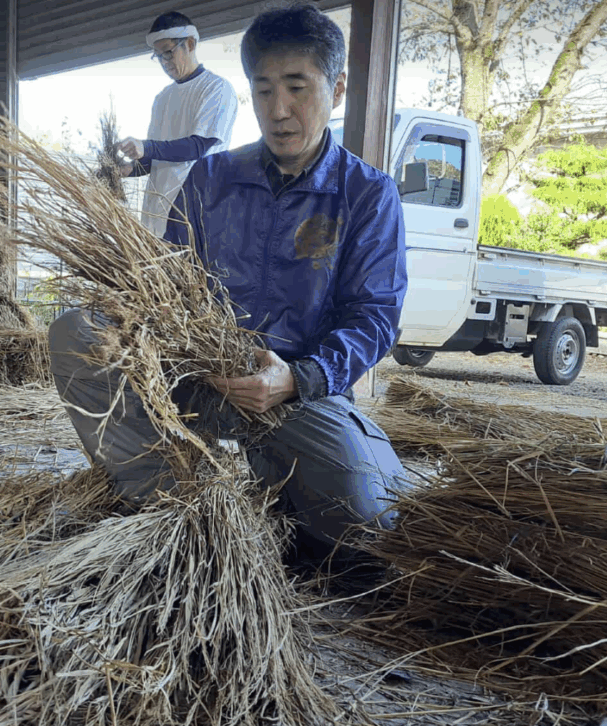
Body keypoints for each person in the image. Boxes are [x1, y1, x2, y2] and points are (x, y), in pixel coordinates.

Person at [49, 4, 409, 563]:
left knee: (368, 525)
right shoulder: (212, 178)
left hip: (293, 392)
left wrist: (300, 377)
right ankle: (173, 503)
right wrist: (133, 302)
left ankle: (281, 478)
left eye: (297, 88)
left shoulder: (366, 193)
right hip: (199, 375)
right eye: (263, 90)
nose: (278, 110)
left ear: (336, 89)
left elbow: (374, 317)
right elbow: (170, 279)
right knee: (78, 333)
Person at [117, 12, 239, 238]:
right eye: (158, 56)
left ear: (190, 44)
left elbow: (198, 147)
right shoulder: (162, 98)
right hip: (155, 215)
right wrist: (128, 169)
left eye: (168, 52)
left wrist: (147, 147)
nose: (164, 62)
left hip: (194, 215)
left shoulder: (216, 89)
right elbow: (156, 158)